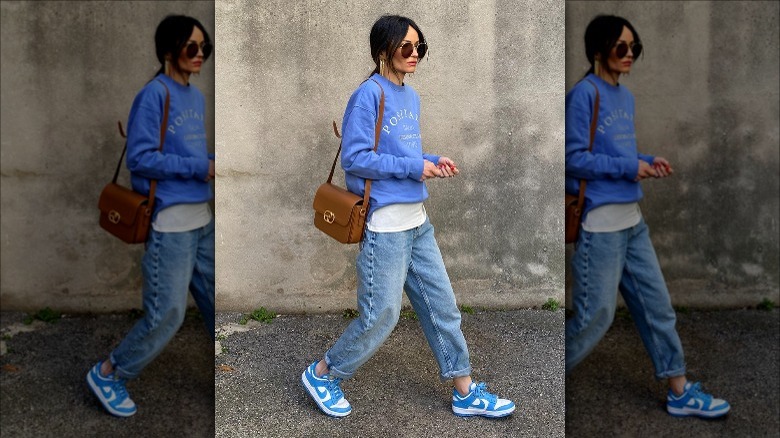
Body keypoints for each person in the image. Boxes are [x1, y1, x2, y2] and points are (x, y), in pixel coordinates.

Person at [301, 15, 515, 419]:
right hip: (384, 227)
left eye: (420, 47)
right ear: (384, 49)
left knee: (443, 307)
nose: (414, 54)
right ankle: (324, 373)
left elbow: (402, 152)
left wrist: (432, 160)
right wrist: (413, 167)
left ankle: (465, 392)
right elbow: (356, 158)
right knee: (381, 315)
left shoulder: (410, 97)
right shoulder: (368, 94)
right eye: (406, 47)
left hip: (417, 222)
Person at [564, 15, 729, 418]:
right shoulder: (584, 94)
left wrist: (645, 160)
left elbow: (617, 155)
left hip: (632, 222)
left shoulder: (626, 97)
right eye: (621, 47)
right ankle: (549, 382)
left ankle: (679, 390)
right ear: (599, 50)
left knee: (657, 307)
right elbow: (571, 159)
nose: (629, 55)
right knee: (594, 319)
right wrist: (626, 168)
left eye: (634, 48)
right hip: (600, 225)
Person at [86, 15, 215, 417]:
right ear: (167, 51)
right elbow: (140, 159)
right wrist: (199, 168)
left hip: (201, 219)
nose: (198, 56)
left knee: (214, 303)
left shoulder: (194, 96)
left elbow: (189, 154)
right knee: (168, 314)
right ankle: (110, 371)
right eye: (190, 48)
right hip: (170, 223)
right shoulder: (153, 95)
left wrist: (206, 163)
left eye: (204, 49)